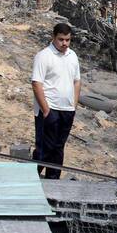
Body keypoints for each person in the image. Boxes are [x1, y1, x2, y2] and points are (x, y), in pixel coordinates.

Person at [30, 22, 81, 179]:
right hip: (49, 110)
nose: (64, 43)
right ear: (54, 37)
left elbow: (77, 81)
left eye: (67, 40)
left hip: (67, 111)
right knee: (45, 148)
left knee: (58, 148)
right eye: (61, 39)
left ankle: (53, 182)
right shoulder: (44, 56)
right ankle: (29, 178)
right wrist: (46, 110)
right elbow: (36, 83)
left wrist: (74, 105)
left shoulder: (72, 56)